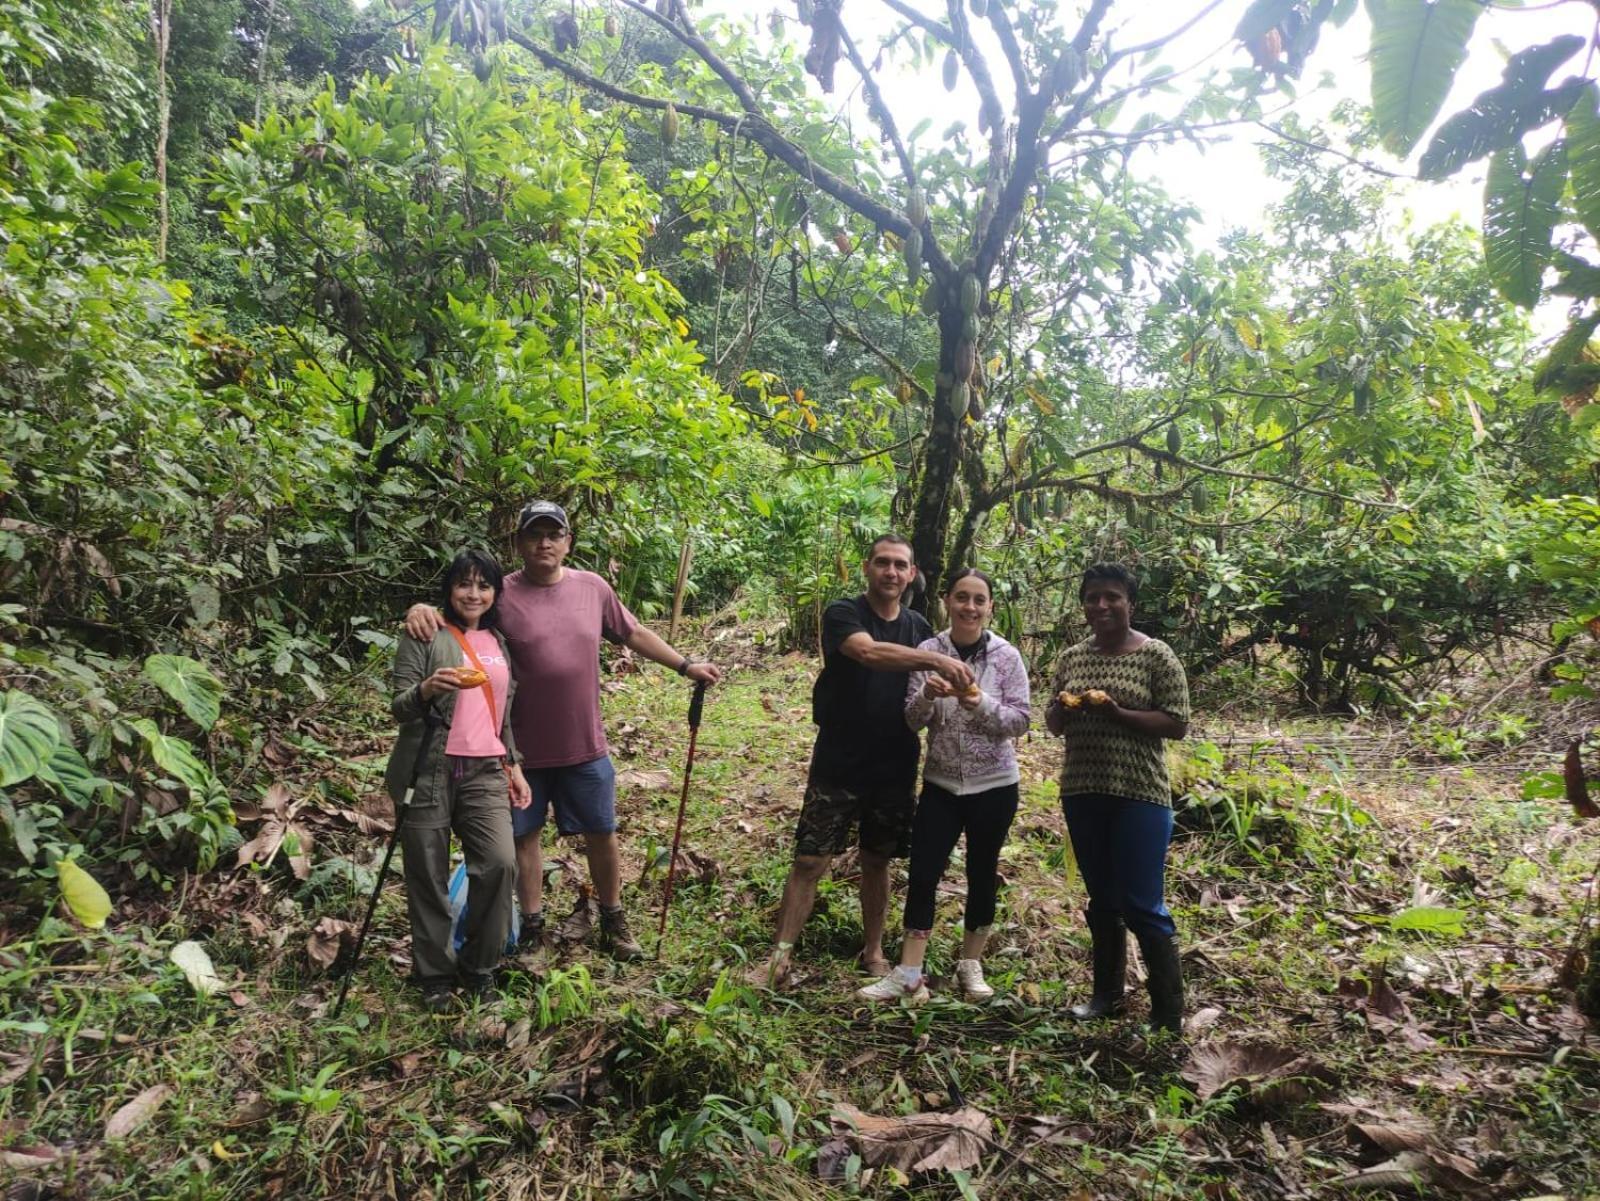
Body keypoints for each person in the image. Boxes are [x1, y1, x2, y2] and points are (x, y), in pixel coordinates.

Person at [405, 501, 721, 962]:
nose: (545, 543)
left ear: (568, 542)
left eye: (554, 534)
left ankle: (613, 917)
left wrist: (685, 665)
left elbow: (631, 632)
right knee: (523, 838)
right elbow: (459, 615)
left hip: (583, 742)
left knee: (602, 831)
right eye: (535, 535)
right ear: (519, 544)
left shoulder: (592, 588)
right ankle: (533, 927)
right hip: (518, 752)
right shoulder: (501, 593)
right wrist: (419, 609)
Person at [746, 534, 977, 990]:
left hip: (895, 763)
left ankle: (873, 951)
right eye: (883, 563)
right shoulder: (843, 613)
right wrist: (936, 659)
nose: (891, 572)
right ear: (867, 568)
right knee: (811, 860)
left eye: (900, 565)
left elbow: (931, 694)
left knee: (878, 859)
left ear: (912, 574)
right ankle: (780, 957)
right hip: (840, 758)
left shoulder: (916, 625)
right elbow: (868, 652)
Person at [858, 568, 1031, 1004]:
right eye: (961, 598)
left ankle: (970, 966)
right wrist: (929, 697)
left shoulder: (1006, 657)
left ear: (990, 606)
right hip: (941, 784)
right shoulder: (928, 651)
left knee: (981, 872)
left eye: (979, 600)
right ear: (946, 602)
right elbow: (911, 720)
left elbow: (1021, 721)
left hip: (995, 784)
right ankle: (910, 971)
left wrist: (977, 702)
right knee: (923, 873)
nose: (970, 607)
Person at [1045, 563, 1190, 1033]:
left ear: (1130, 602)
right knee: (1102, 898)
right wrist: (1059, 709)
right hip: (1083, 789)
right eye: (1092, 598)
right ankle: (1105, 996)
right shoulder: (1070, 657)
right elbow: (1053, 723)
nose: (1101, 606)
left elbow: (1177, 722)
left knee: (1142, 902)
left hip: (1140, 793)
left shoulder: (1156, 655)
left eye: (1111, 597)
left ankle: (1168, 1013)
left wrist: (1117, 711)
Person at [388, 548, 532, 1011]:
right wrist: (427, 689)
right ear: (449, 588)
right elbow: (398, 706)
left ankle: (479, 966)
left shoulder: (499, 642)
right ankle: (434, 976)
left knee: (499, 863)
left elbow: (502, 715)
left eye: (484, 585)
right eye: (464, 584)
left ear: (495, 592)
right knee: (427, 876)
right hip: (426, 770)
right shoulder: (426, 632)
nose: (474, 594)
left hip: (486, 771)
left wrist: (514, 764)